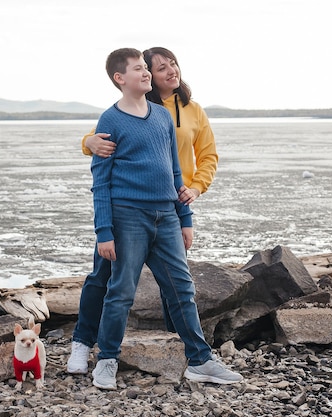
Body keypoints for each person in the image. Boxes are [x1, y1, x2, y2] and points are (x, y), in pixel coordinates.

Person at [84, 47, 242, 390]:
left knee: (182, 289)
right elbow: (101, 181)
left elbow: (174, 172)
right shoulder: (110, 121)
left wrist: (185, 217)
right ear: (119, 78)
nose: (145, 73)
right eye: (139, 68)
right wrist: (104, 231)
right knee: (121, 291)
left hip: (167, 216)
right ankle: (106, 360)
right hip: (129, 217)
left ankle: (200, 361)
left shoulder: (161, 116)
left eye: (146, 68)